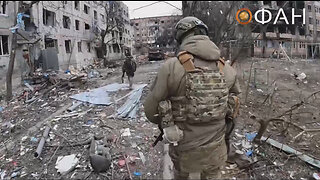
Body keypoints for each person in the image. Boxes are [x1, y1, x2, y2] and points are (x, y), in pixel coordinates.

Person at [144, 16, 241, 179]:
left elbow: (150, 111)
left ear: (182, 37)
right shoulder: (228, 70)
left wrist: (167, 123)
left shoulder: (172, 66)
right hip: (216, 153)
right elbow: (233, 110)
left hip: (184, 153)